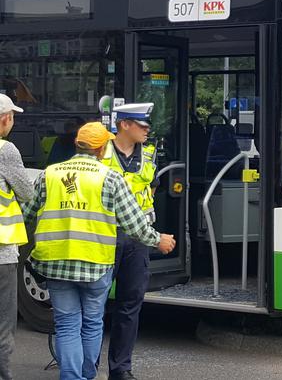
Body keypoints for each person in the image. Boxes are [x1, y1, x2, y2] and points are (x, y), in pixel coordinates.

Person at [22, 122, 176, 380]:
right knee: (92, 324)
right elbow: (134, 223)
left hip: (56, 262)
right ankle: (86, 375)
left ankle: (72, 377)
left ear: (76, 144)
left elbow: (26, 214)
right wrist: (157, 239)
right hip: (96, 264)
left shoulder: (50, 174)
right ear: (101, 146)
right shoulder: (110, 178)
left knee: (67, 324)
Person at [101, 103, 159, 380]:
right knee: (94, 304)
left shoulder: (148, 154)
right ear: (124, 124)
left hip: (137, 238)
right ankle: (84, 367)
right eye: (143, 126)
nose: (148, 131)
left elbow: (151, 188)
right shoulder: (101, 151)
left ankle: (121, 370)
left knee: (130, 303)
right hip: (104, 234)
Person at [0, 94, 32, 380]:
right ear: (4, 119)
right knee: (3, 321)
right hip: (1, 253)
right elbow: (26, 192)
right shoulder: (5, 150)